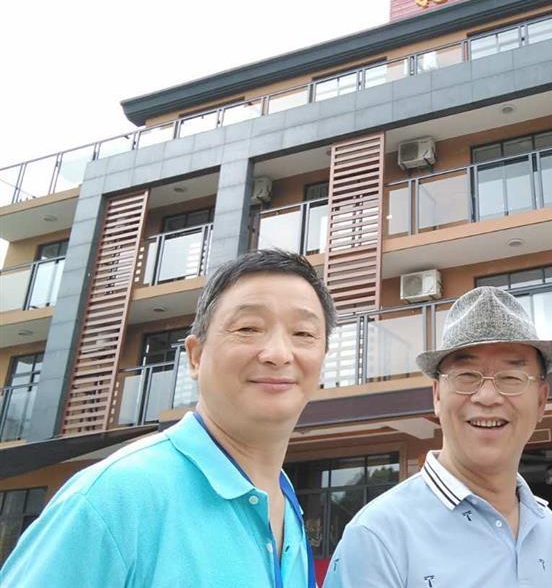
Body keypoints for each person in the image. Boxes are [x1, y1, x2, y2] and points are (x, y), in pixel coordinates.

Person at [1, 249, 337, 587]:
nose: (278, 354)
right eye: (248, 327)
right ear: (195, 357)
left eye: (304, 334)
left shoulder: (285, 502)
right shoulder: (112, 499)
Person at [324, 285, 552, 587]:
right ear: (437, 395)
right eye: (466, 376)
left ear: (542, 400)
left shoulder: (547, 526)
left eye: (511, 377)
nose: (487, 396)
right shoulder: (378, 536)